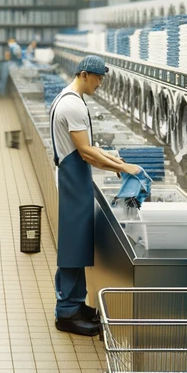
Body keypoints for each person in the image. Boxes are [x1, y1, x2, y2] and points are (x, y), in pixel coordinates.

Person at [49, 55, 146, 336]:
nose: (100, 83)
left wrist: (112, 158)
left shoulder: (69, 99)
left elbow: (90, 148)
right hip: (73, 179)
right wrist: (122, 166)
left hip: (74, 178)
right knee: (72, 246)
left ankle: (76, 303)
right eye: (98, 78)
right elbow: (86, 152)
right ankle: (66, 312)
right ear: (83, 75)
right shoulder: (72, 105)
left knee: (78, 244)